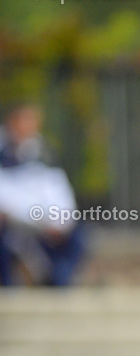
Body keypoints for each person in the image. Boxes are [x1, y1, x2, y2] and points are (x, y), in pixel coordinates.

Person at [0, 103, 86, 287]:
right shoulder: (3, 153)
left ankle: (58, 282)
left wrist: (58, 222)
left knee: (79, 237)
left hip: (43, 226)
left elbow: (59, 194)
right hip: (13, 226)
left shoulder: (44, 153)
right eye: (23, 121)